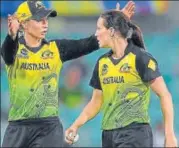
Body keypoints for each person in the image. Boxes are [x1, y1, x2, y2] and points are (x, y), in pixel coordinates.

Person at [1, 0, 135, 147]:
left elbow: (89, 43)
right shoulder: (14, 49)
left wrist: (116, 24)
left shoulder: (56, 49)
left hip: (48, 127)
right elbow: (7, 53)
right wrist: (11, 36)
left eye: (47, 19)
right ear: (24, 24)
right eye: (39, 20)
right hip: (17, 127)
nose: (45, 23)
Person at [65, 11, 178, 147]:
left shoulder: (140, 58)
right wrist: (75, 125)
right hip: (108, 136)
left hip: (134, 133)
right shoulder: (102, 63)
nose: (96, 34)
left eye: (99, 29)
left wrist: (170, 134)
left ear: (112, 31)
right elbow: (96, 102)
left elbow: (164, 95)